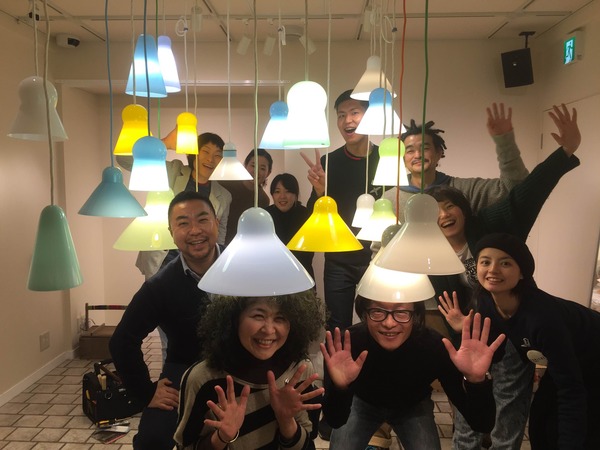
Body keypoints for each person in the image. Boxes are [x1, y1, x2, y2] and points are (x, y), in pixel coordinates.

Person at [432, 103, 581, 450]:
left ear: (463, 210)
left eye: (449, 206)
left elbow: (524, 195)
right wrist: (459, 327)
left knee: (509, 403)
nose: (444, 216)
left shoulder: (489, 226)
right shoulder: (432, 253)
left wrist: (563, 152)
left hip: (513, 326)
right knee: (470, 406)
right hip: (471, 333)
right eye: (435, 212)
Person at [109, 191, 221, 450]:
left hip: (239, 369)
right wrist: (146, 392)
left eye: (202, 219)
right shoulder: (160, 286)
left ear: (216, 222)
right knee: (152, 440)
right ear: (171, 232)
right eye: (183, 223)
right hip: (184, 370)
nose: (195, 230)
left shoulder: (241, 265)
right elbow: (122, 341)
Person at [320, 295, 505, 450]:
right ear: (364, 314)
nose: (389, 323)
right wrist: (340, 388)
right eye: (377, 311)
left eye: (401, 312)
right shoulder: (347, 346)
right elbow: (335, 421)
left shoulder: (433, 346)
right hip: (363, 402)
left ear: (415, 314)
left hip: (413, 406)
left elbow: (482, 423)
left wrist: (476, 381)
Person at [472, 232, 600, 450]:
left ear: (522, 273)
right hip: (569, 357)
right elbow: (497, 353)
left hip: (594, 359)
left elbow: (571, 391)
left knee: (578, 430)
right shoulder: (486, 302)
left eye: (505, 263)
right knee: (540, 423)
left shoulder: (541, 318)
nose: (493, 269)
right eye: (485, 262)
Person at [174, 290, 327, 449]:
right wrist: (222, 437)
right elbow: (186, 446)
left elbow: (307, 443)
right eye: (258, 316)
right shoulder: (202, 379)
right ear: (234, 318)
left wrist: (286, 421)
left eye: (280, 318)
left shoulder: (299, 370)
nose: (269, 330)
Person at [117, 130, 232, 278]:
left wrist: (216, 266)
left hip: (198, 262)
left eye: (217, 155)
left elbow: (219, 235)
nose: (210, 159)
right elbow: (123, 159)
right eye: (205, 151)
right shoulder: (173, 171)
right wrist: (164, 144)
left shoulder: (224, 196)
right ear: (194, 153)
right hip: (163, 257)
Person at [266, 173, 314, 278]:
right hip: (271, 276)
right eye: (277, 192)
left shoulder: (306, 215)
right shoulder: (265, 216)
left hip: (302, 276)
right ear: (272, 195)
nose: (282, 196)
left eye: (288, 191)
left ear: (295, 195)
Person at [220, 148, 272, 246]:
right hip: (220, 244)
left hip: (244, 247)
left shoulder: (263, 199)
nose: (256, 171)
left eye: (262, 168)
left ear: (268, 173)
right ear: (245, 165)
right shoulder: (227, 184)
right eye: (253, 165)